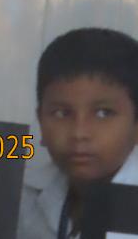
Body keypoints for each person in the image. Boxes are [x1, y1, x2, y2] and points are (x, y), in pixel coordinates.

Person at [18, 27, 138, 238]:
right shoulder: (20, 198)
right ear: (41, 121)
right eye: (62, 113)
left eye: (103, 113)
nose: (79, 132)